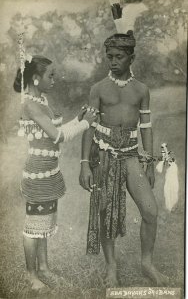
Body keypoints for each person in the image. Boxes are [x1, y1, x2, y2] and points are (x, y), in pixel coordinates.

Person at [79, 31, 169, 287]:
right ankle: (111, 268)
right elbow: (89, 127)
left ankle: (147, 263)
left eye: (119, 56)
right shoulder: (98, 89)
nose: (113, 61)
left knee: (151, 211)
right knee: (106, 212)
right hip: (104, 155)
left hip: (130, 156)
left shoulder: (141, 90)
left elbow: (146, 127)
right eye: (110, 57)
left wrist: (149, 162)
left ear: (132, 57)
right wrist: (85, 164)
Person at [14, 55, 97, 291]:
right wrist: (86, 124)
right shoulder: (29, 104)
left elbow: (58, 130)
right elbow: (57, 137)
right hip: (37, 173)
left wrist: (78, 119)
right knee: (33, 226)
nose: (54, 79)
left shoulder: (42, 99)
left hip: (50, 172)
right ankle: (31, 275)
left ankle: (44, 268)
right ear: (35, 78)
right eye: (50, 75)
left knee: (45, 223)